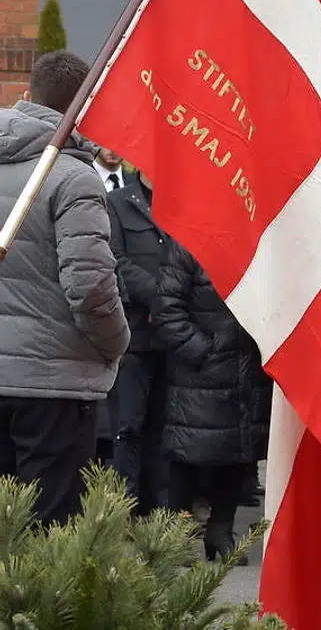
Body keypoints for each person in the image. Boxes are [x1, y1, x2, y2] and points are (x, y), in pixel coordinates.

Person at [0, 50, 128, 524]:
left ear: (27, 94)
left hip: (34, 376)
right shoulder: (75, 179)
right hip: (51, 388)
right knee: (46, 534)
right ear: (85, 106)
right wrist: (116, 344)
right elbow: (91, 286)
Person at [153, 237, 271, 562]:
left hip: (246, 370)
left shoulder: (253, 237)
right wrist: (203, 351)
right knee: (188, 454)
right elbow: (166, 310)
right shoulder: (187, 240)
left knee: (237, 451)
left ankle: (221, 529)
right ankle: (176, 535)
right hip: (200, 372)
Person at [107, 171, 171, 514]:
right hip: (134, 335)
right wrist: (160, 298)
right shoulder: (118, 202)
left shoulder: (180, 205)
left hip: (171, 336)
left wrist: (171, 304)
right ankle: (125, 510)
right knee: (127, 426)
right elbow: (116, 259)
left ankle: (157, 512)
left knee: (163, 428)